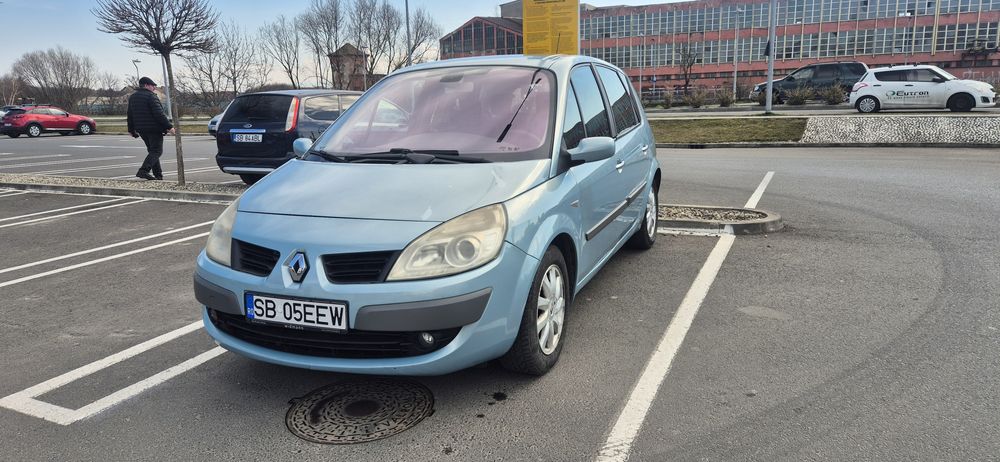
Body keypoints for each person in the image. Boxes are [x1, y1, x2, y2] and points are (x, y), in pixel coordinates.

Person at [127, 77, 174, 180]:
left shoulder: (133, 97)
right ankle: (143, 170)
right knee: (157, 151)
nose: (154, 88)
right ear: (146, 85)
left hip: (142, 129)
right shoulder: (151, 96)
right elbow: (159, 114)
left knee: (152, 151)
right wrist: (169, 127)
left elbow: (130, 115)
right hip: (154, 129)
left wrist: (131, 130)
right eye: (153, 86)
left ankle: (158, 175)